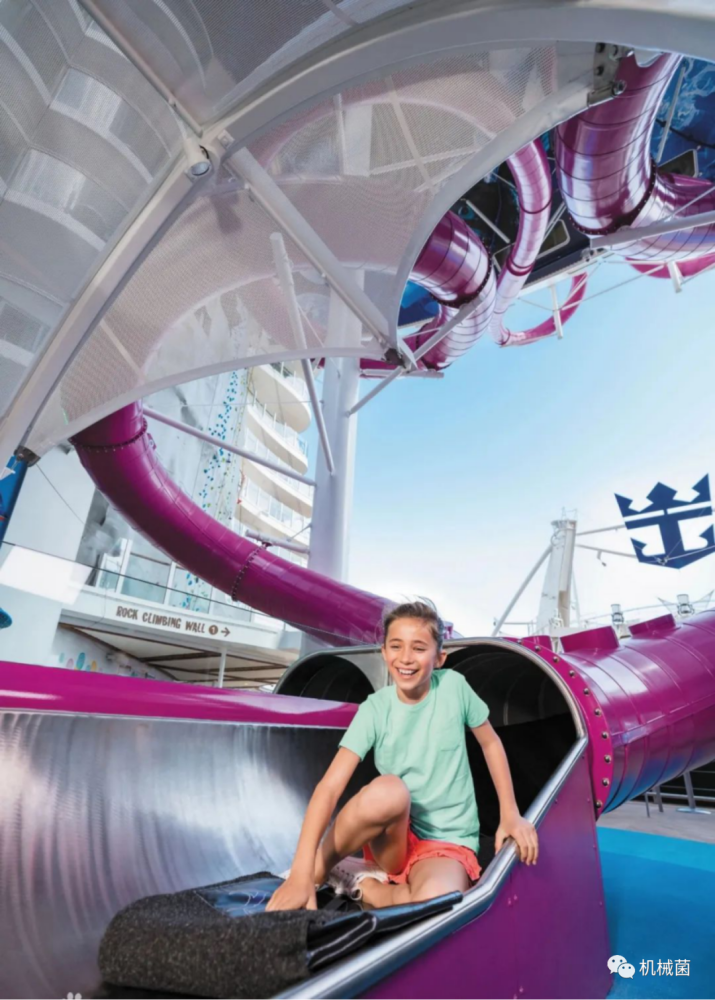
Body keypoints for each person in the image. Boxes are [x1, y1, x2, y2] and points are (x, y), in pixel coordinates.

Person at [267, 601, 538, 911]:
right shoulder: (375, 708)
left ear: (439, 658)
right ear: (384, 653)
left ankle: (361, 882)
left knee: (438, 903)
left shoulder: (454, 688)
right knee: (390, 790)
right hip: (393, 841)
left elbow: (490, 744)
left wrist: (510, 813)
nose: (406, 658)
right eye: (396, 646)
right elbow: (329, 788)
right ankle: (319, 868)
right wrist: (300, 873)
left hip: (446, 840)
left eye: (419, 648)